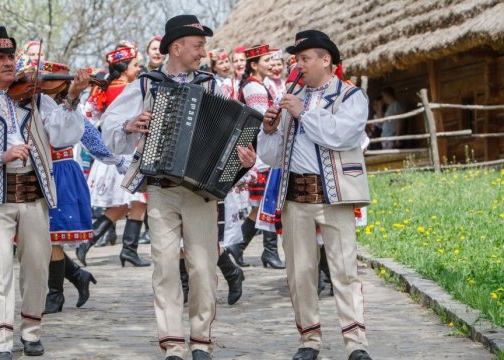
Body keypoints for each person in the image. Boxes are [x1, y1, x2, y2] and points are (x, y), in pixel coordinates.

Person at [101, 15, 256, 360]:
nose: (203, 51)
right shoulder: (145, 85)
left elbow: (235, 133)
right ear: (177, 47)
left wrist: (243, 159)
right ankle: (172, 342)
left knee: (202, 267)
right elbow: (108, 127)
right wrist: (129, 124)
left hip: (202, 192)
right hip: (160, 187)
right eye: (198, 45)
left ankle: (201, 340)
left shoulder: (213, 85)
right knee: (165, 265)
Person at [0, 26, 88, 359]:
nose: (9, 63)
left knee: (37, 266)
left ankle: (31, 330)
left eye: (11, 56)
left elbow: (63, 135)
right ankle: (0, 342)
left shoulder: (36, 98)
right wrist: (1, 155)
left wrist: (71, 98)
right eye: (0, 58)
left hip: (33, 195)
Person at [260, 30, 372, 360]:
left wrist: (303, 114)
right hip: (295, 198)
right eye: (297, 59)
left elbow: (343, 135)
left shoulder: (351, 96)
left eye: (305, 58)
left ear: (326, 60)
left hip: (334, 196)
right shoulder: (291, 95)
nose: (299, 65)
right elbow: (271, 156)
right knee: (300, 272)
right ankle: (309, 341)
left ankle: (356, 344)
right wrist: (268, 130)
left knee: (344, 271)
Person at [76, 45, 151, 268]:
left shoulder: (106, 87)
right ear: (124, 67)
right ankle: (125, 249)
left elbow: (91, 115)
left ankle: (105, 245)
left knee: (129, 204)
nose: (138, 69)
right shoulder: (124, 90)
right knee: (136, 201)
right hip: (123, 153)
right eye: (135, 65)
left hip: (115, 152)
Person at [227, 44, 286, 270]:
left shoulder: (260, 85)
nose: (271, 64)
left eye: (272, 60)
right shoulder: (255, 88)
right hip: (260, 152)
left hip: (262, 150)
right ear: (254, 65)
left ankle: (242, 247)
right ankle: (267, 251)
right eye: (266, 61)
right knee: (267, 201)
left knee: (265, 202)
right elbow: (262, 121)